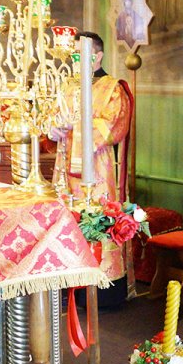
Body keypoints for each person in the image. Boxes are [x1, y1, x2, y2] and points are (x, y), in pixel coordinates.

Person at [51, 31, 133, 296]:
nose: (74, 60)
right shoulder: (68, 86)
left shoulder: (113, 88)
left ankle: (103, 289)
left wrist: (75, 125)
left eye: (80, 54)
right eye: (73, 55)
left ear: (97, 56)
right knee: (68, 219)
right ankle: (69, 285)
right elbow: (53, 118)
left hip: (97, 168)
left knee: (97, 217)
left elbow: (113, 127)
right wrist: (54, 127)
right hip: (65, 168)